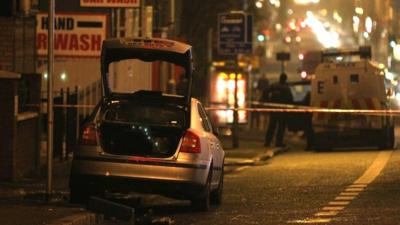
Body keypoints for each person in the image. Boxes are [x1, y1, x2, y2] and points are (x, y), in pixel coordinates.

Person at [263, 73, 293, 148]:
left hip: (274, 109)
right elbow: (290, 100)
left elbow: (265, 91)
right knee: (281, 127)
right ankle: (278, 142)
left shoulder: (274, 86)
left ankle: (267, 142)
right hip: (282, 111)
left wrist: (267, 101)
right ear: (285, 79)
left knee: (272, 126)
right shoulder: (286, 88)